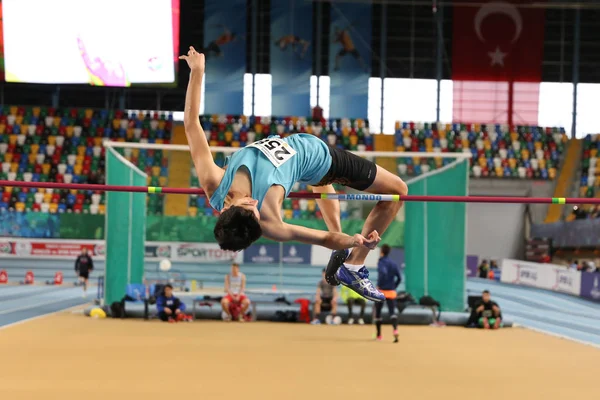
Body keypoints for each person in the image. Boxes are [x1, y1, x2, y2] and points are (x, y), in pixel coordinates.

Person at [179, 47, 408, 302]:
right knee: (397, 191)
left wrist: (197, 72)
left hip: (307, 161)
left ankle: (343, 257)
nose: (256, 203)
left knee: (322, 185)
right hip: (322, 160)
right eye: (257, 213)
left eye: (249, 204)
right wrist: (356, 242)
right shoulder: (271, 225)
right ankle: (354, 266)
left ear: (225, 209)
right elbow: (323, 238)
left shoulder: (213, 181)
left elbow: (191, 124)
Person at [374, 244, 402, 342]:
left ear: (382, 251)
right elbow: (399, 278)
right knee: (392, 313)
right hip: (391, 292)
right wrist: (394, 286)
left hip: (381, 291)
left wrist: (379, 285)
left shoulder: (381, 262)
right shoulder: (393, 264)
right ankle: (395, 330)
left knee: (378, 313)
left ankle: (379, 335)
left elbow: (383, 273)